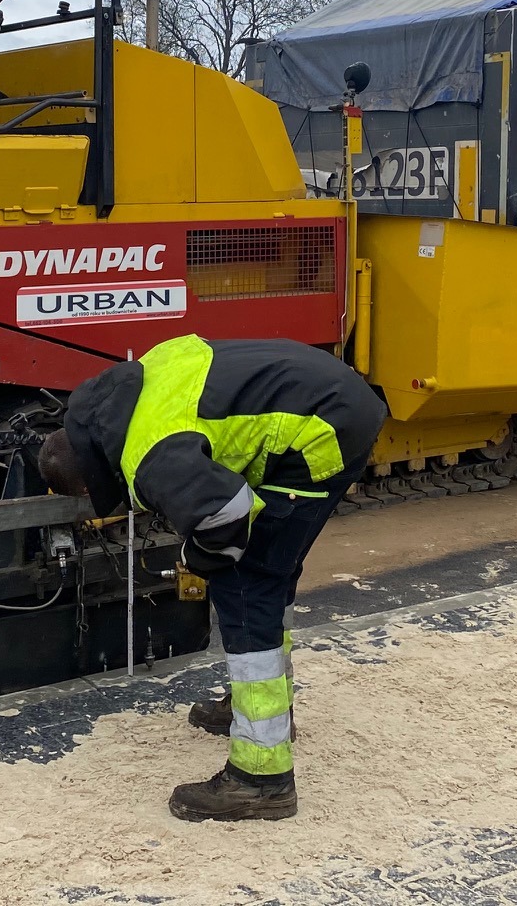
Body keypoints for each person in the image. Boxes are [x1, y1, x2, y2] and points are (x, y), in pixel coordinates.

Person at [38, 334, 386, 823]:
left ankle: (261, 779)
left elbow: (226, 516)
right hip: (329, 396)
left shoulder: (147, 456)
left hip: (322, 429)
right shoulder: (128, 394)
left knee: (245, 585)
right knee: (269, 573)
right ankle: (264, 710)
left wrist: (196, 557)